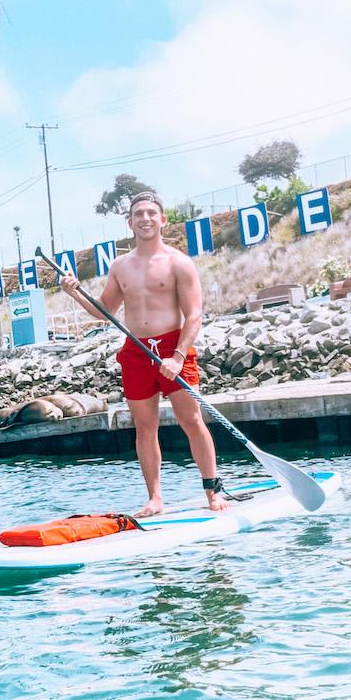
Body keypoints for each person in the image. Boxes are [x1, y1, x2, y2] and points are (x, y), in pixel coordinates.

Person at [60, 190, 231, 516]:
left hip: (172, 348)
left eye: (151, 213)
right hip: (136, 351)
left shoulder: (178, 262)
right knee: (144, 426)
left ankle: (212, 490)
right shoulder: (121, 265)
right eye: (139, 214)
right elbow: (105, 310)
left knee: (191, 420)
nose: (145, 219)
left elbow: (194, 314)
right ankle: (154, 499)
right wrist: (76, 293)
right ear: (130, 222)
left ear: (162, 220)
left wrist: (179, 357)